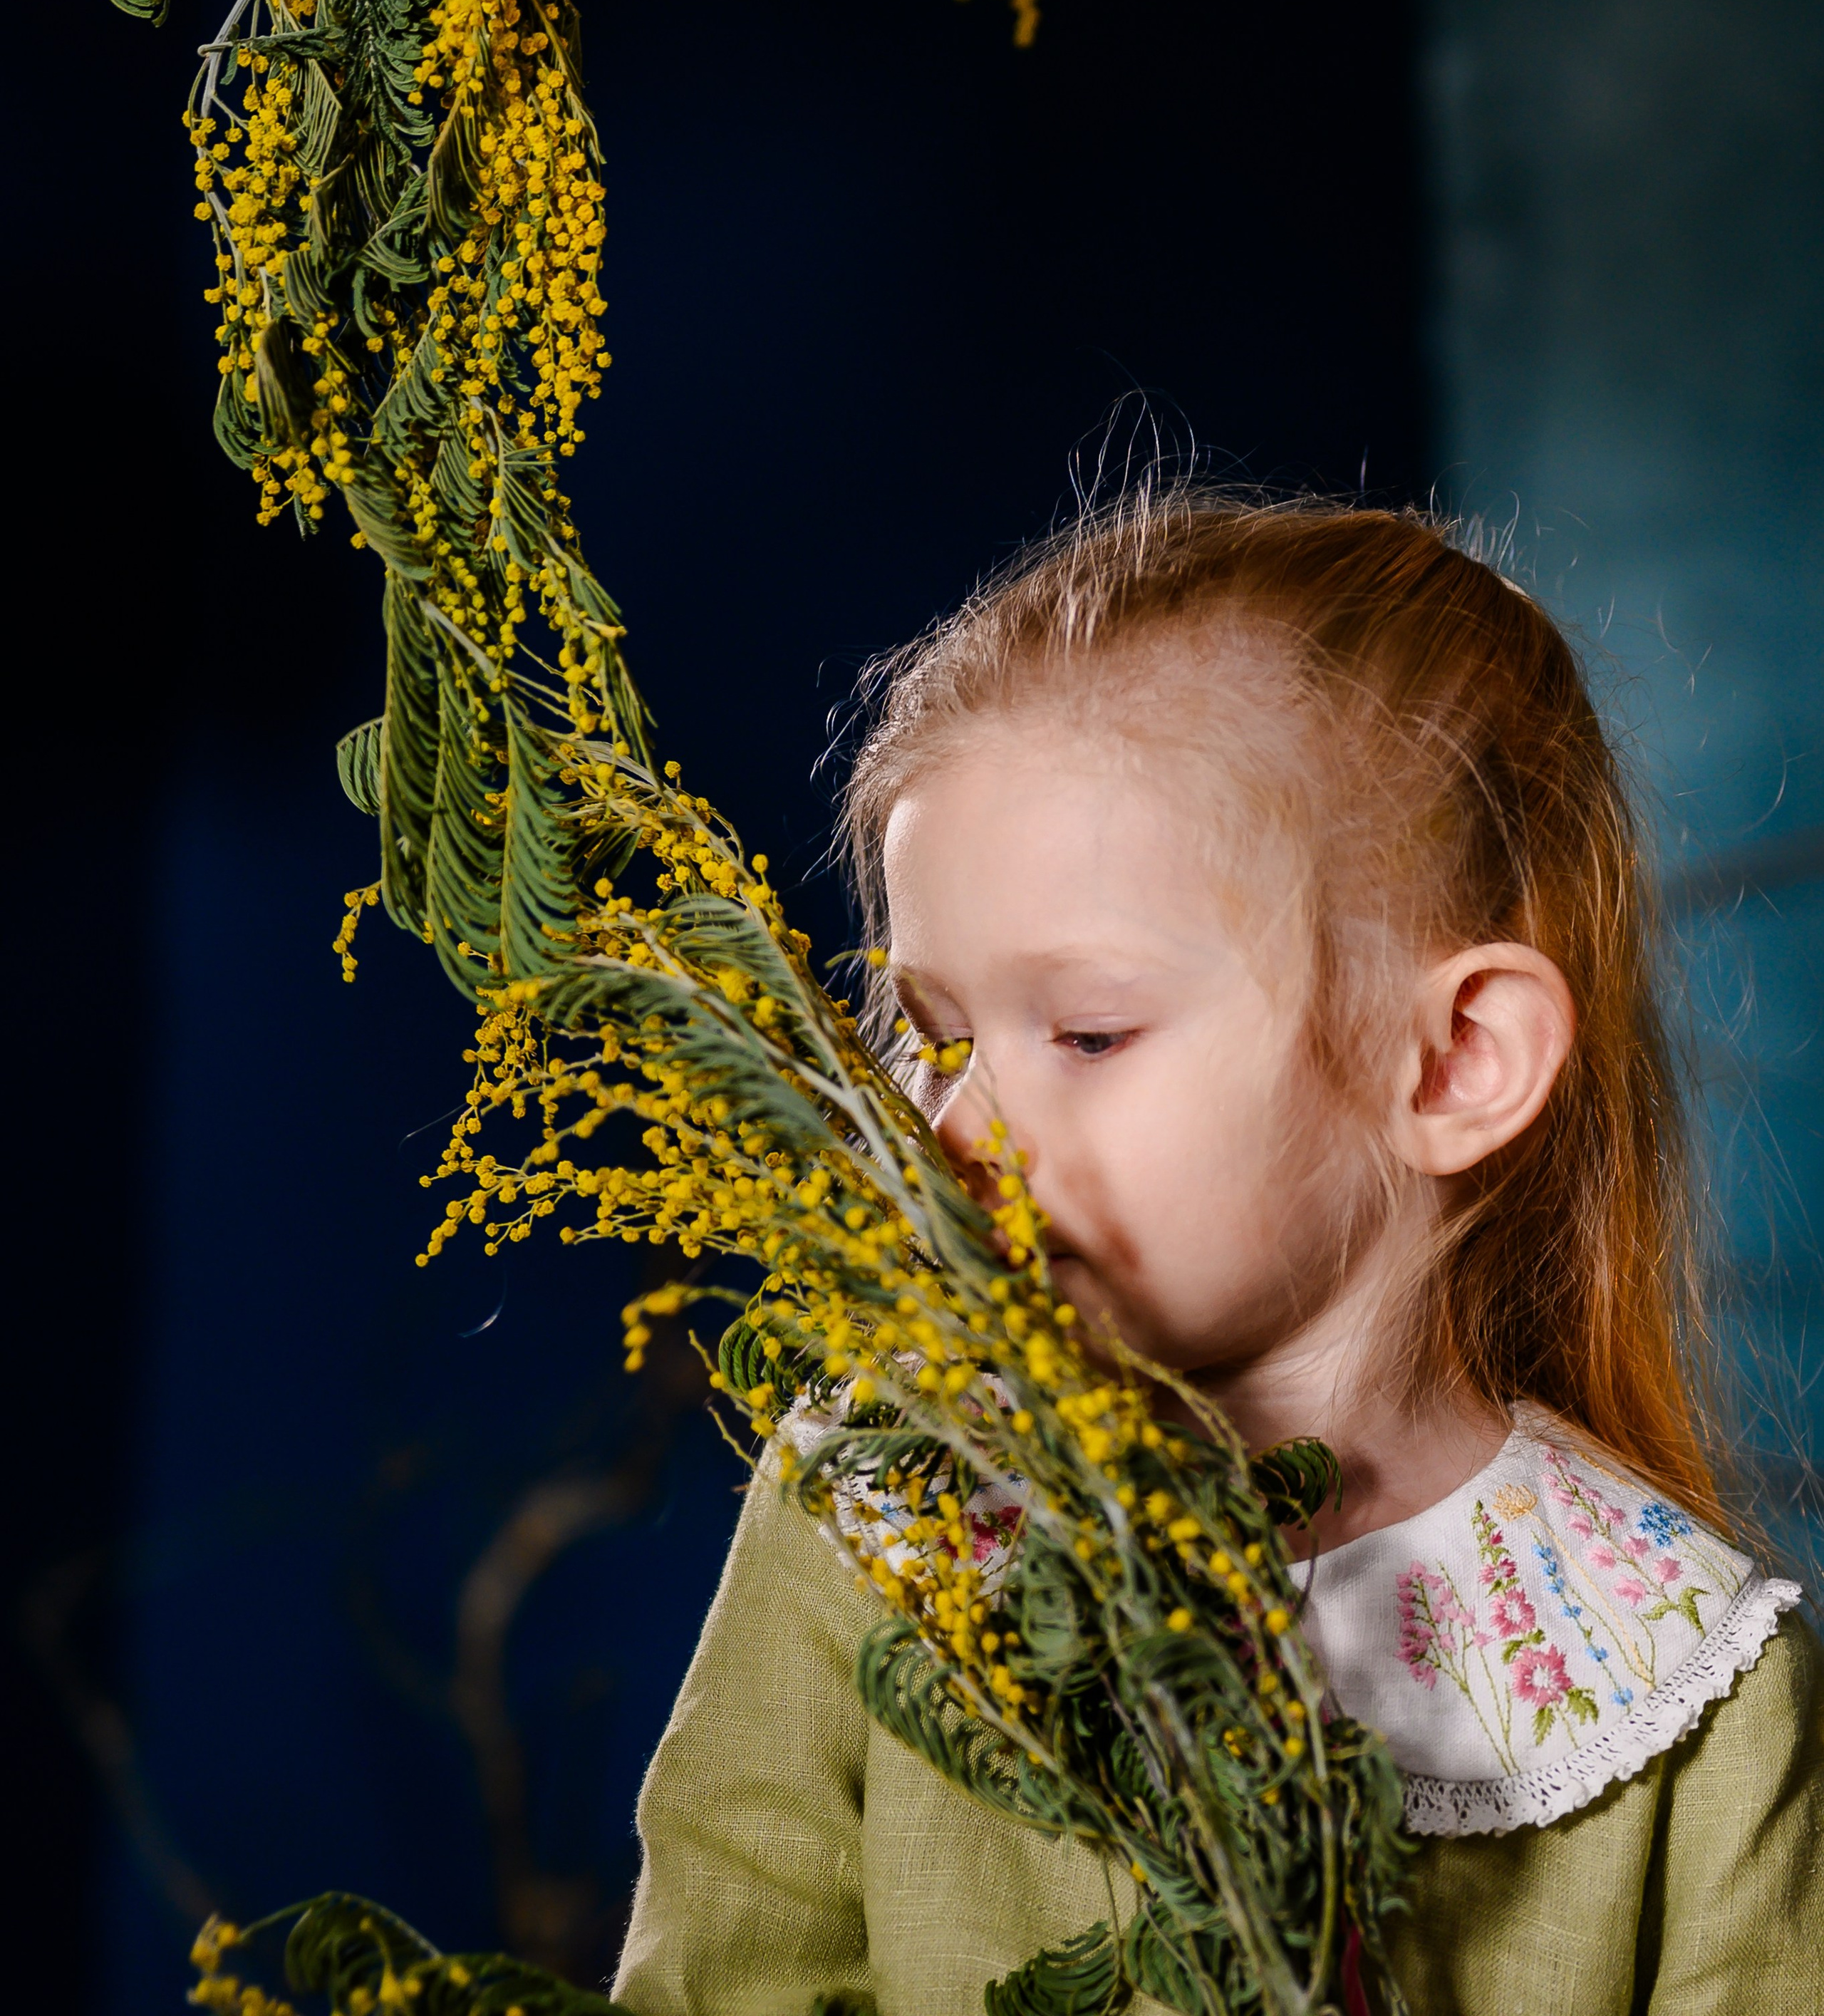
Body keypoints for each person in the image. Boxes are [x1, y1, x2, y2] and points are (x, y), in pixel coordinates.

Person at [611, 492, 1821, 2015]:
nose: (947, 1125)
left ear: (1452, 1059)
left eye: (1088, 1031)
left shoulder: (1682, 1681)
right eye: (929, 1037)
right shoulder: (877, 1512)